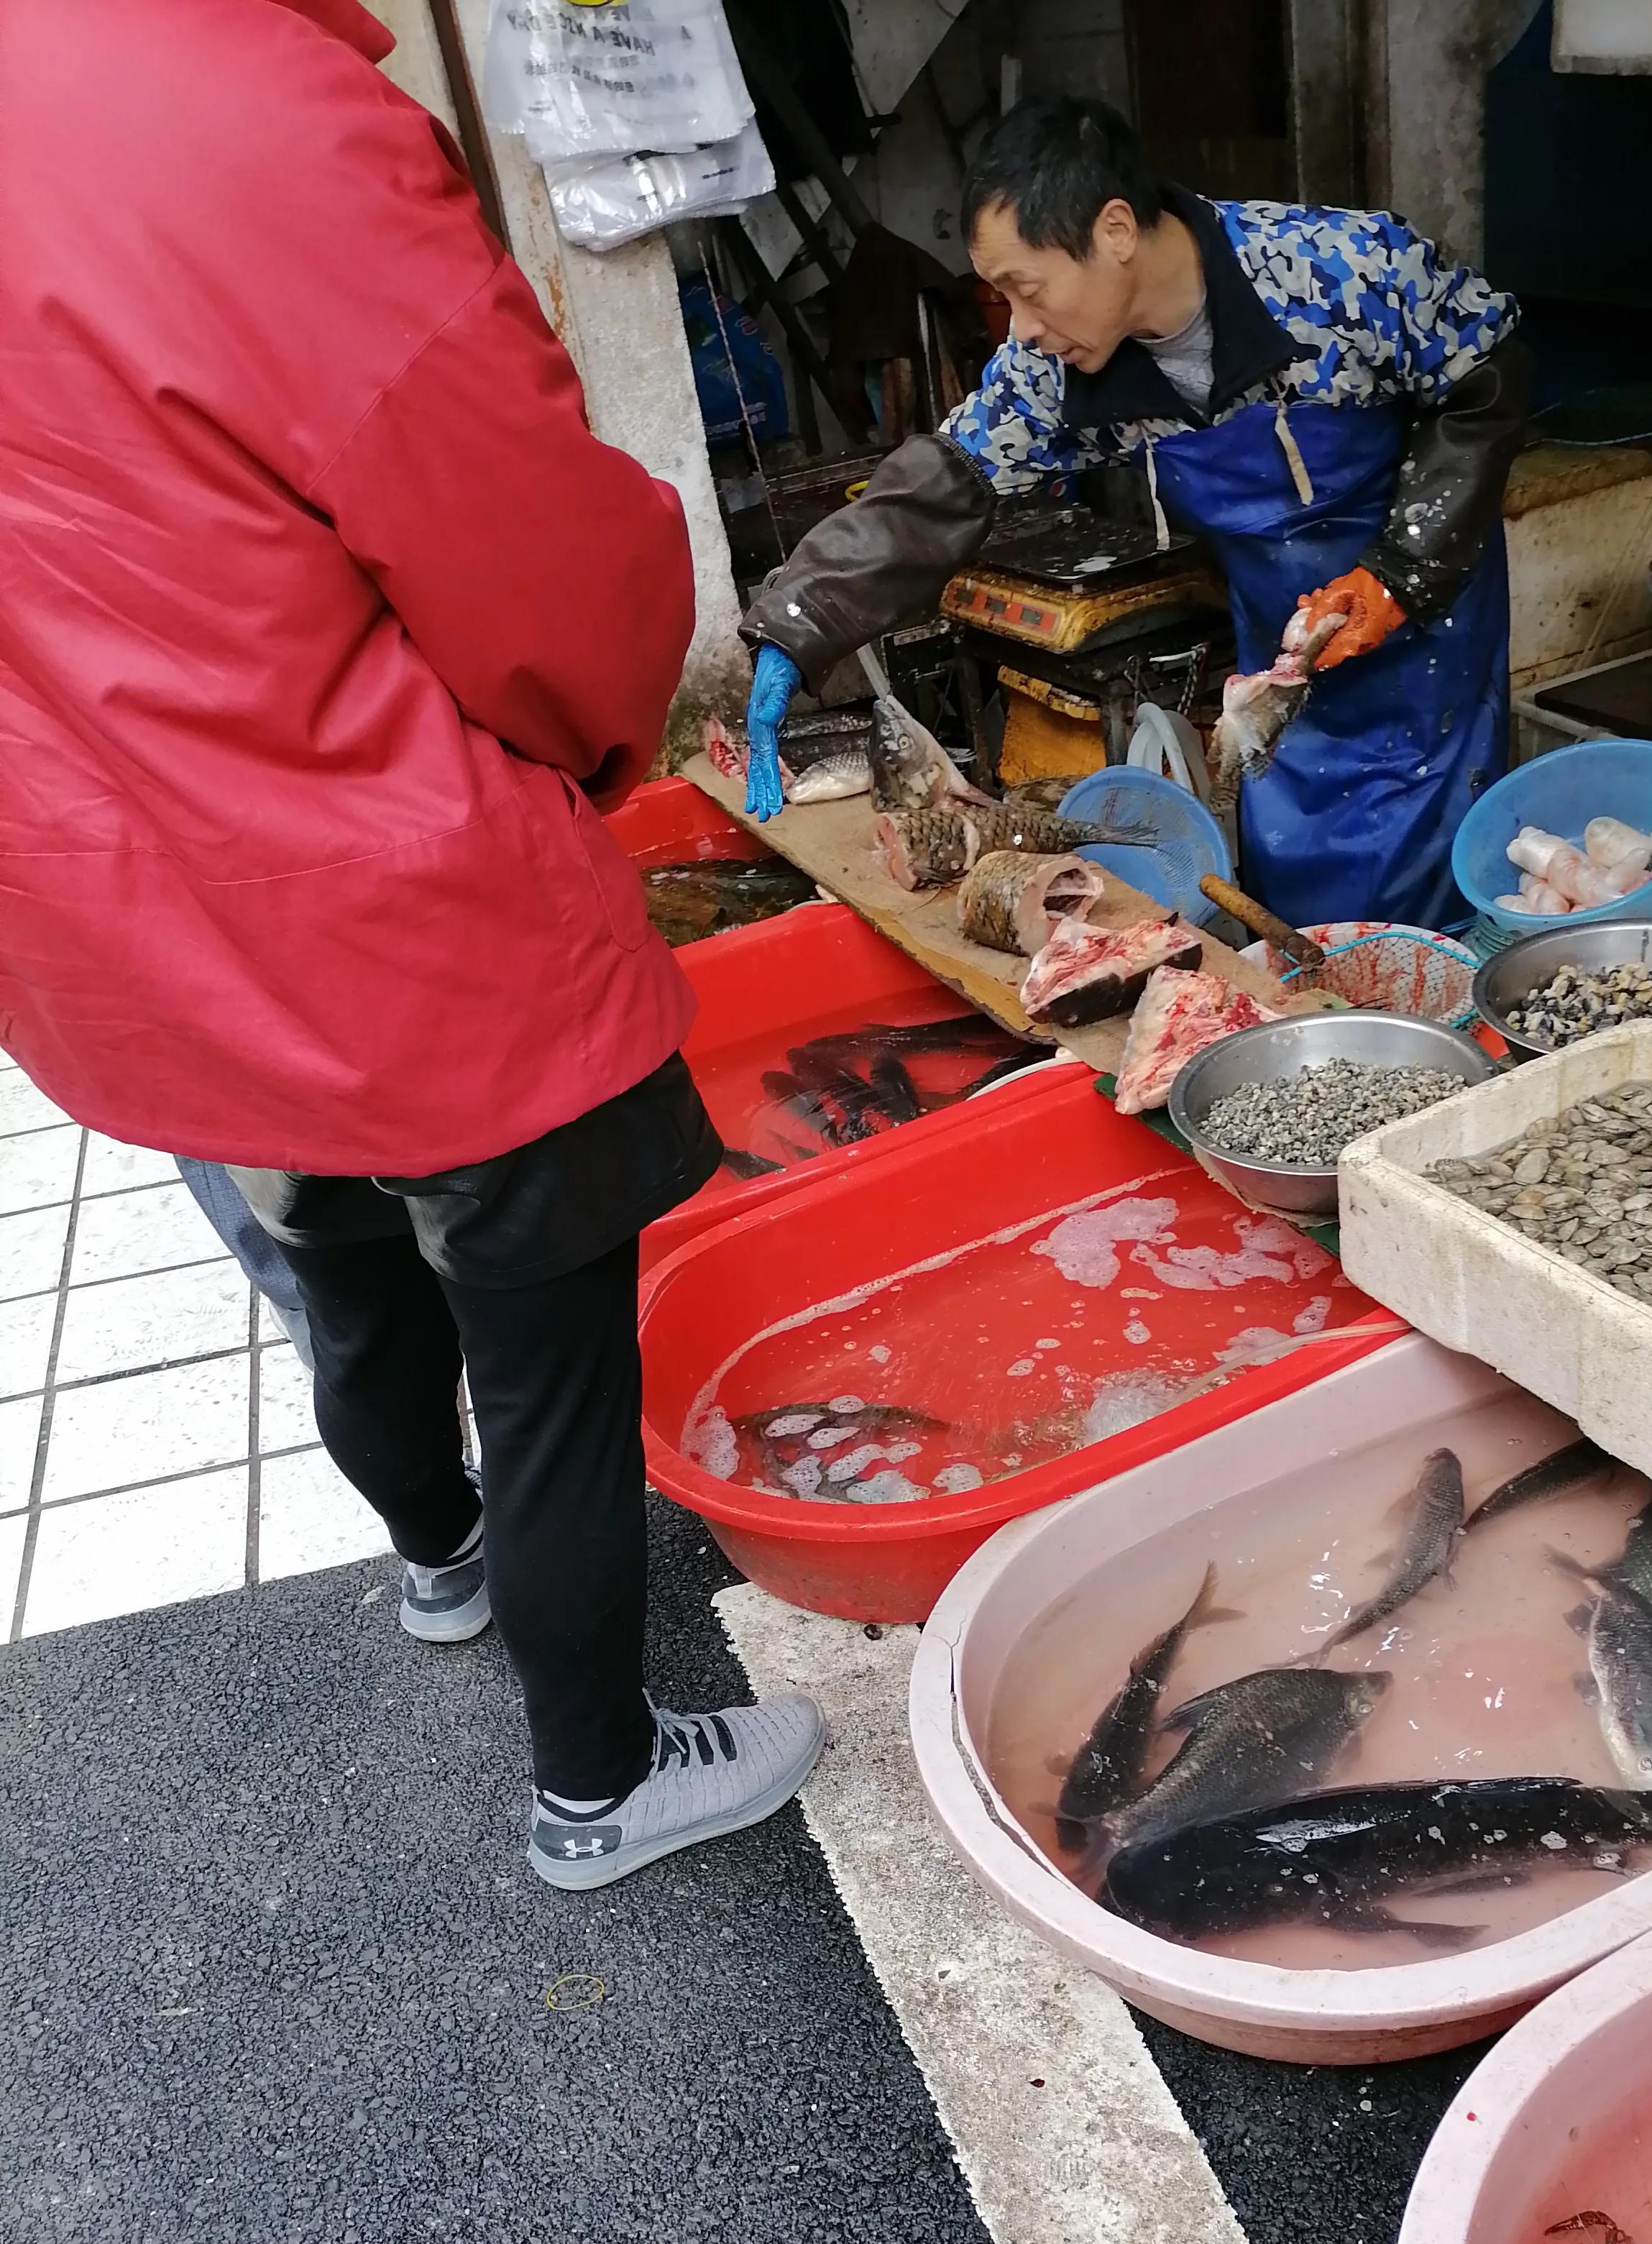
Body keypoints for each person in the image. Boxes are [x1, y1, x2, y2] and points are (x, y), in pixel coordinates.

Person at [0, 0, 822, 1890]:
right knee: (545, 1371)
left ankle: (439, 1561)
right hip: (386, 899)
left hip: (126, 916)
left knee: (343, 1269)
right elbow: (529, 549)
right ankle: (601, 1786)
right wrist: (609, 731)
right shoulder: (242, 106)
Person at [740, 96, 1530, 932]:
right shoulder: (1048, 373)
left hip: (1425, 626)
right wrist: (798, 619)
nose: (1024, 328)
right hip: (1284, 645)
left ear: (1115, 232)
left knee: (1436, 893)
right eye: (1002, 296)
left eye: (1029, 289)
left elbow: (1489, 373)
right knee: (1296, 890)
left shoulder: (1343, 269)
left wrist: (1401, 571)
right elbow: (947, 477)